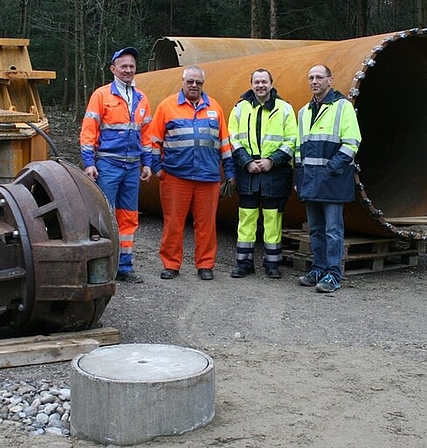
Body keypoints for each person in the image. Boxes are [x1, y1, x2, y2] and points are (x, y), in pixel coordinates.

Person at [149, 65, 235, 281]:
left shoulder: (215, 108)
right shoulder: (167, 106)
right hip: (176, 176)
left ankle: (205, 265)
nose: (194, 85)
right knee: (173, 223)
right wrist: (157, 169)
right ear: (183, 81)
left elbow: (224, 143)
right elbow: (153, 141)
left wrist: (231, 172)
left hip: (208, 177)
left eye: (198, 82)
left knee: (206, 224)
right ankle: (171, 264)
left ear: (203, 84)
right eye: (190, 82)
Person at [80, 46, 153, 283]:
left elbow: (147, 135)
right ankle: (101, 267)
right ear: (113, 69)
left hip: (132, 167)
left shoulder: (142, 98)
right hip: (108, 165)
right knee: (103, 215)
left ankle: (124, 267)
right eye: (124, 66)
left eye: (132, 66)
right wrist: (89, 163)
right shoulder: (101, 95)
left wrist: (147, 163)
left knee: (129, 216)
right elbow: (88, 132)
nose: (128, 70)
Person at [295, 64, 361, 293]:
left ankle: (333, 274)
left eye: (319, 77)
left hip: (333, 181)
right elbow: (298, 148)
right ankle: (318, 269)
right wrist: (300, 175)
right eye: (311, 77)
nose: (314, 81)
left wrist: (331, 170)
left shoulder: (343, 107)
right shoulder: (303, 112)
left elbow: (352, 142)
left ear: (330, 81)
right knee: (315, 229)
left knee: (333, 230)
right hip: (311, 181)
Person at [228, 69, 297, 280]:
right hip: (247, 172)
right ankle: (244, 263)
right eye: (257, 82)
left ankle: (272, 264)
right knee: (246, 218)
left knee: (272, 219)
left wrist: (272, 161)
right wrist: (246, 162)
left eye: (264, 82)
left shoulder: (285, 108)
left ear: (271, 83)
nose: (260, 85)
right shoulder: (239, 108)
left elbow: (292, 140)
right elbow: (233, 138)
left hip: (275, 173)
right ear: (251, 84)